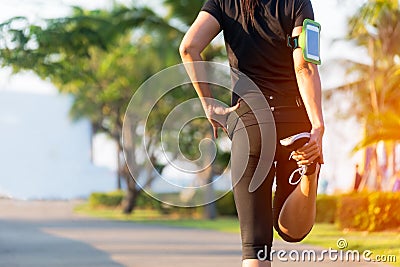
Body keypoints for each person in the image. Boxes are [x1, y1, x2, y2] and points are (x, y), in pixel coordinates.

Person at [179, 0, 324, 266]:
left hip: (250, 123)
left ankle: (308, 174)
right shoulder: (298, 3)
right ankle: (309, 174)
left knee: (255, 248)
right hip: (294, 123)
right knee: (293, 231)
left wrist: (208, 104)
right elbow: (304, 66)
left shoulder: (222, 2)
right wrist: (317, 126)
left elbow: (188, 48)